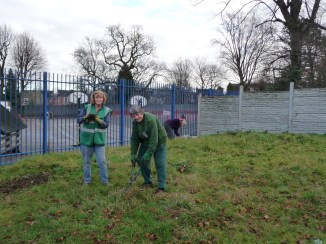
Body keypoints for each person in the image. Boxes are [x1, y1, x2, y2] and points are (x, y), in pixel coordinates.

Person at [129, 105, 168, 193]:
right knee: (140, 159)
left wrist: (149, 153)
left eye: (138, 114)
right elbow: (134, 139)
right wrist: (133, 153)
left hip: (159, 141)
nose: (136, 117)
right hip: (145, 141)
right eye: (133, 116)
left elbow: (154, 139)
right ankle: (148, 181)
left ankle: (161, 187)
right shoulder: (135, 122)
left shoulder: (150, 120)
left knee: (160, 163)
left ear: (142, 112)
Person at [77, 90, 112, 185]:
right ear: (94, 98)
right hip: (86, 140)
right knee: (86, 162)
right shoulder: (87, 107)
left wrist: (99, 120)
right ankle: (86, 181)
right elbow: (79, 120)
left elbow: (106, 125)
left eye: (100, 97)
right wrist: (85, 117)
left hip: (99, 141)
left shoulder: (107, 110)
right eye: (97, 97)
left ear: (103, 99)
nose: (98, 99)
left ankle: (105, 182)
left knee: (102, 162)